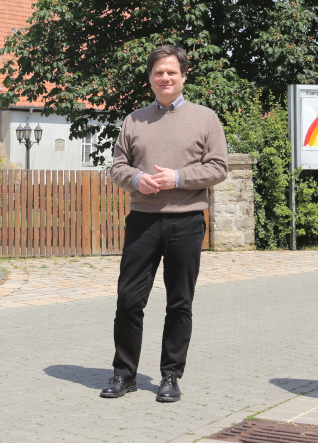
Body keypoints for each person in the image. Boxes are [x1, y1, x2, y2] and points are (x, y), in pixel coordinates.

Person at [102, 45, 228, 403]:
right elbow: (117, 167)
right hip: (142, 221)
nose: (165, 78)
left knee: (179, 303)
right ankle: (124, 375)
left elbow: (218, 167)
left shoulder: (205, 118)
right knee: (128, 300)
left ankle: (170, 376)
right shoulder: (133, 120)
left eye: (172, 72)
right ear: (150, 78)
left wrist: (177, 177)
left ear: (183, 76)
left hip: (186, 221)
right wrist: (137, 180)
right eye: (159, 72)